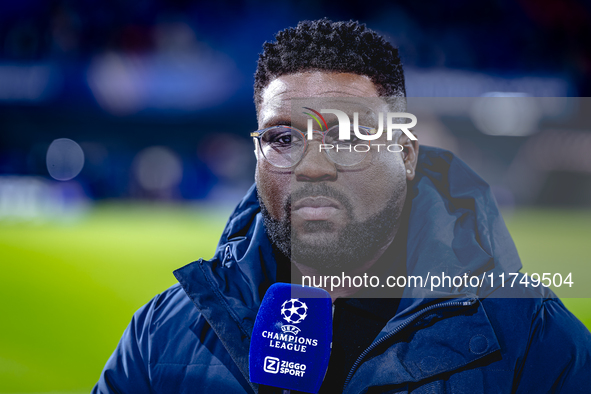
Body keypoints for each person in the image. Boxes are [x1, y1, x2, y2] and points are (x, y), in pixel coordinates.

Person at [93, 19, 591, 393]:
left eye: (349, 138)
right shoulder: (163, 333)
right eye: (283, 137)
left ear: (406, 153)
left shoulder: (533, 340)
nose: (312, 167)